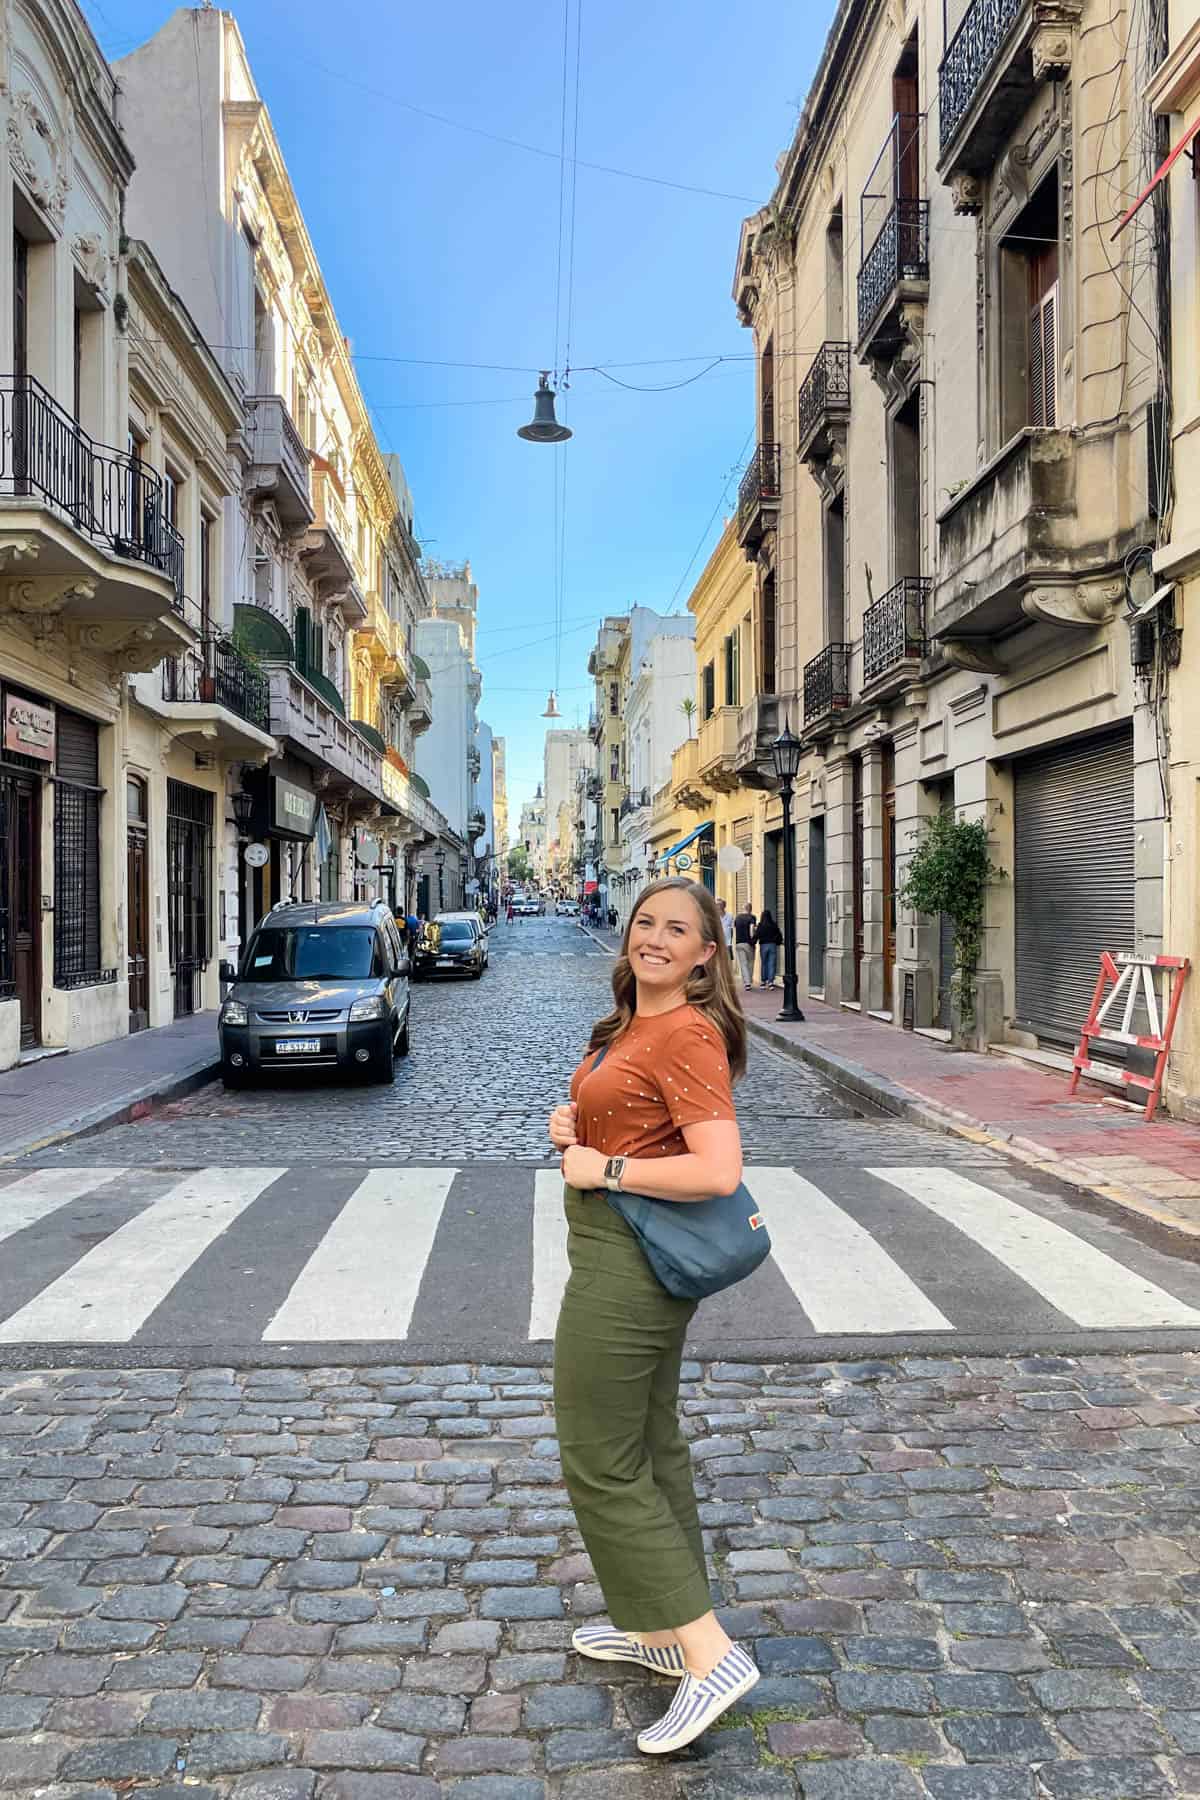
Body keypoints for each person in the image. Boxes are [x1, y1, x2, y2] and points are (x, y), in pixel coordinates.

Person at [547, 876, 760, 1755]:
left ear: (707, 954)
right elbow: (631, 1127)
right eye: (646, 923)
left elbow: (717, 1169)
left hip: (628, 1261)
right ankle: (659, 1628)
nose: (657, 938)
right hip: (613, 1245)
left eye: (679, 930)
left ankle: (707, 1651)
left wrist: (609, 1173)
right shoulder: (632, 1026)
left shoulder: (685, 1033)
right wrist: (576, 1127)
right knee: (647, 1440)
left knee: (596, 1453)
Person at [755, 908, 783, 988]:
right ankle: (771, 982)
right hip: (772, 945)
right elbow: (779, 934)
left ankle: (763, 981)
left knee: (764, 963)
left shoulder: (761, 925)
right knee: (771, 964)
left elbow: (757, 934)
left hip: (763, 945)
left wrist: (752, 941)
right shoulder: (774, 924)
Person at [733, 903, 756, 991]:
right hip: (748, 943)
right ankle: (749, 980)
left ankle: (747, 983)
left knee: (743, 963)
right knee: (750, 962)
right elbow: (751, 929)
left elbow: (735, 928)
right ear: (750, 909)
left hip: (739, 943)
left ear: (743, 908)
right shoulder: (752, 917)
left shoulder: (737, 917)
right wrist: (752, 939)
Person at [717, 896, 734, 961]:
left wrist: (730, 941)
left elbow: (732, 929)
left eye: (720, 905)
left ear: (724, 906)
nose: (718, 907)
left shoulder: (730, 916)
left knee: (728, 961)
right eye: (717, 905)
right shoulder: (715, 916)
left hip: (728, 943)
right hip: (718, 943)